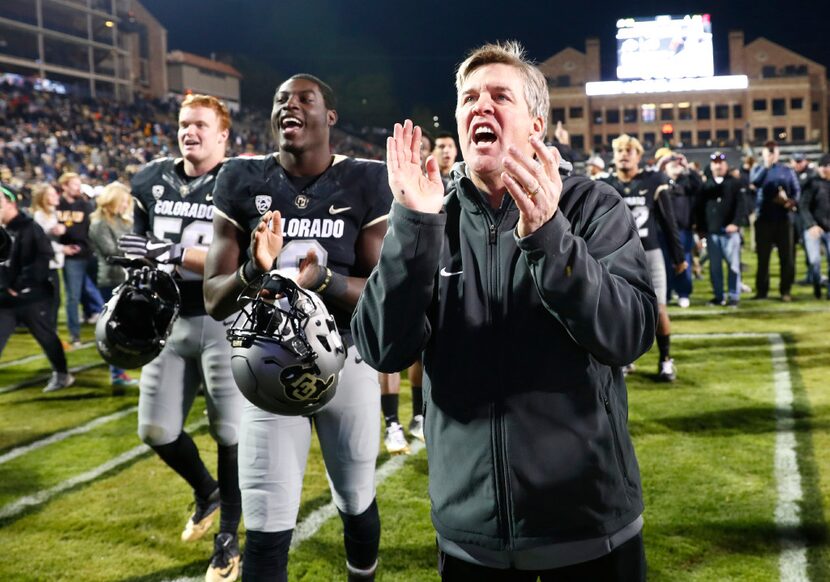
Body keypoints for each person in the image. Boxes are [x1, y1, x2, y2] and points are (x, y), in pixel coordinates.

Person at [352, 41, 655, 581]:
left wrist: (549, 237)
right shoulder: (431, 219)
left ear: (536, 125)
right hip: (473, 535)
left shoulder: (590, 206)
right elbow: (380, 347)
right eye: (469, 98)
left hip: (586, 525)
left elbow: (628, 333)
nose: (480, 107)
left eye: (499, 96)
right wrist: (411, 230)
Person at [204, 74, 392, 581]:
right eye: (281, 99)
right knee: (265, 520)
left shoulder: (366, 180)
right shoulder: (241, 177)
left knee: (355, 497)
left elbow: (381, 291)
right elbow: (214, 299)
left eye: (304, 99)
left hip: (344, 361)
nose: (290, 105)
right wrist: (253, 270)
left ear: (330, 117)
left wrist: (325, 279)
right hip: (263, 368)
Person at [118, 94, 244, 582]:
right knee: (155, 429)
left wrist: (167, 251)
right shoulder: (150, 178)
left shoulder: (239, 180)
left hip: (221, 315)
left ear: (223, 134)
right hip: (166, 318)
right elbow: (139, 244)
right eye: (183, 124)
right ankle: (206, 490)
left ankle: (228, 535)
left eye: (199, 124)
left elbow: (238, 260)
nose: (189, 131)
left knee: (230, 431)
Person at [603, 135, 686, 381]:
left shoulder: (654, 181)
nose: (624, 154)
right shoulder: (606, 184)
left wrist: (678, 256)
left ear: (639, 156)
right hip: (616, 254)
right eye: (619, 150)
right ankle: (623, 359)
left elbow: (667, 222)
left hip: (649, 253)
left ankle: (666, 360)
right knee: (617, 309)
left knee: (658, 309)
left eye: (629, 150)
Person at [0, 183, 74, 393]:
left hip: (32, 297)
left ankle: (62, 374)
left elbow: (43, 257)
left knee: (47, 337)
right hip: (6, 298)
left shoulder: (29, 227)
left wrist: (23, 285)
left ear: (11, 203)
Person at [88, 181, 140, 388]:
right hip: (110, 279)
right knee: (113, 328)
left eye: (127, 202)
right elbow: (110, 251)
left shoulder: (123, 221)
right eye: (122, 201)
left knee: (128, 326)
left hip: (127, 278)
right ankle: (117, 373)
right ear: (112, 200)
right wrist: (136, 248)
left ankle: (121, 369)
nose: (125, 206)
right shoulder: (99, 223)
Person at [56, 172, 103, 347]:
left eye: (79, 183)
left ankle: (94, 317)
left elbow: (90, 230)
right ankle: (75, 335)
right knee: (73, 296)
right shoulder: (57, 205)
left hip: (88, 254)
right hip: (71, 257)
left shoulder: (85, 204)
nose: (78, 187)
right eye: (74, 184)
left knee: (95, 289)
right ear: (65, 186)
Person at [750, 141, 800, 301]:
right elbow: (755, 183)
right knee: (763, 258)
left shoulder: (786, 171)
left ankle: (785, 290)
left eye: (773, 152)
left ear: (778, 153)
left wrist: (789, 202)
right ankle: (762, 290)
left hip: (783, 219)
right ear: (763, 153)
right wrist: (766, 166)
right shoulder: (758, 169)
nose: (771, 154)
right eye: (768, 152)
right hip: (764, 219)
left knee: (787, 257)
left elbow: (796, 190)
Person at [699, 151, 749, 306]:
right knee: (715, 269)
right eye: (715, 162)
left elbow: (742, 205)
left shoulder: (735, 183)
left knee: (733, 266)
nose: (718, 165)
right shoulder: (706, 185)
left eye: (721, 162)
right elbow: (699, 208)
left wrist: (736, 223)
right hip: (712, 232)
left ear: (726, 164)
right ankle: (719, 296)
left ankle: (734, 296)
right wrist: (701, 229)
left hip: (730, 232)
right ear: (711, 165)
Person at [657, 151, 701, 308]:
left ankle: (683, 293)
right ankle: (666, 293)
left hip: (683, 230)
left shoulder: (687, 182)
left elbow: (699, 184)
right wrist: (661, 163)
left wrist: (687, 166)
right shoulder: (660, 182)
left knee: (684, 261)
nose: (676, 166)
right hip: (663, 231)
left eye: (678, 164)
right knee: (664, 263)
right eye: (672, 164)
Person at [30, 182, 71, 334]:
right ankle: (47, 331)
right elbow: (41, 243)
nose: (56, 196)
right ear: (43, 198)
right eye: (52, 194)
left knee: (54, 299)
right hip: (44, 263)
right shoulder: (39, 216)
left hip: (53, 263)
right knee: (49, 300)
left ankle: (49, 330)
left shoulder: (53, 212)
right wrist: (63, 248)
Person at [800, 153, 830, 299]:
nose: (826, 169)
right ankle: (817, 285)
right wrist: (811, 225)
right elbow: (803, 206)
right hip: (814, 228)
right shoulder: (811, 184)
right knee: (814, 261)